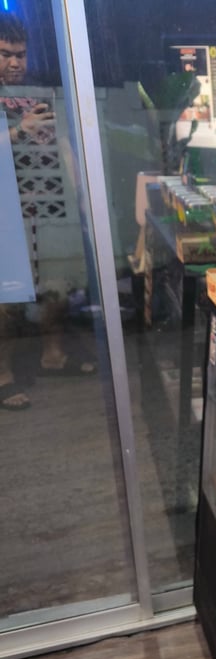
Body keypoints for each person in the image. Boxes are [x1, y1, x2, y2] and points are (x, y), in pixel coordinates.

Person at [0, 11, 94, 411]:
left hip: (46, 204)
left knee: (57, 284)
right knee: (6, 296)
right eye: (5, 54)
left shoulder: (36, 90)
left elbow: (61, 139)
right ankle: (2, 374)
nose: (15, 62)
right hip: (5, 210)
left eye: (20, 54)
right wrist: (17, 131)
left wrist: (81, 194)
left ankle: (52, 355)